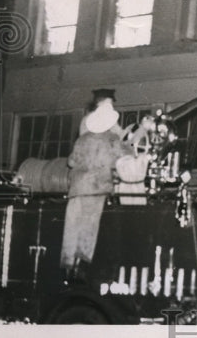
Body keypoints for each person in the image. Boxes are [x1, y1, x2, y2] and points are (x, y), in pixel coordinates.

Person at [60, 100, 132, 279]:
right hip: (97, 189)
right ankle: (81, 271)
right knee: (88, 229)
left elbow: (71, 162)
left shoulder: (82, 139)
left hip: (77, 189)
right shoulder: (112, 139)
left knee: (72, 227)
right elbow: (126, 158)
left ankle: (67, 268)